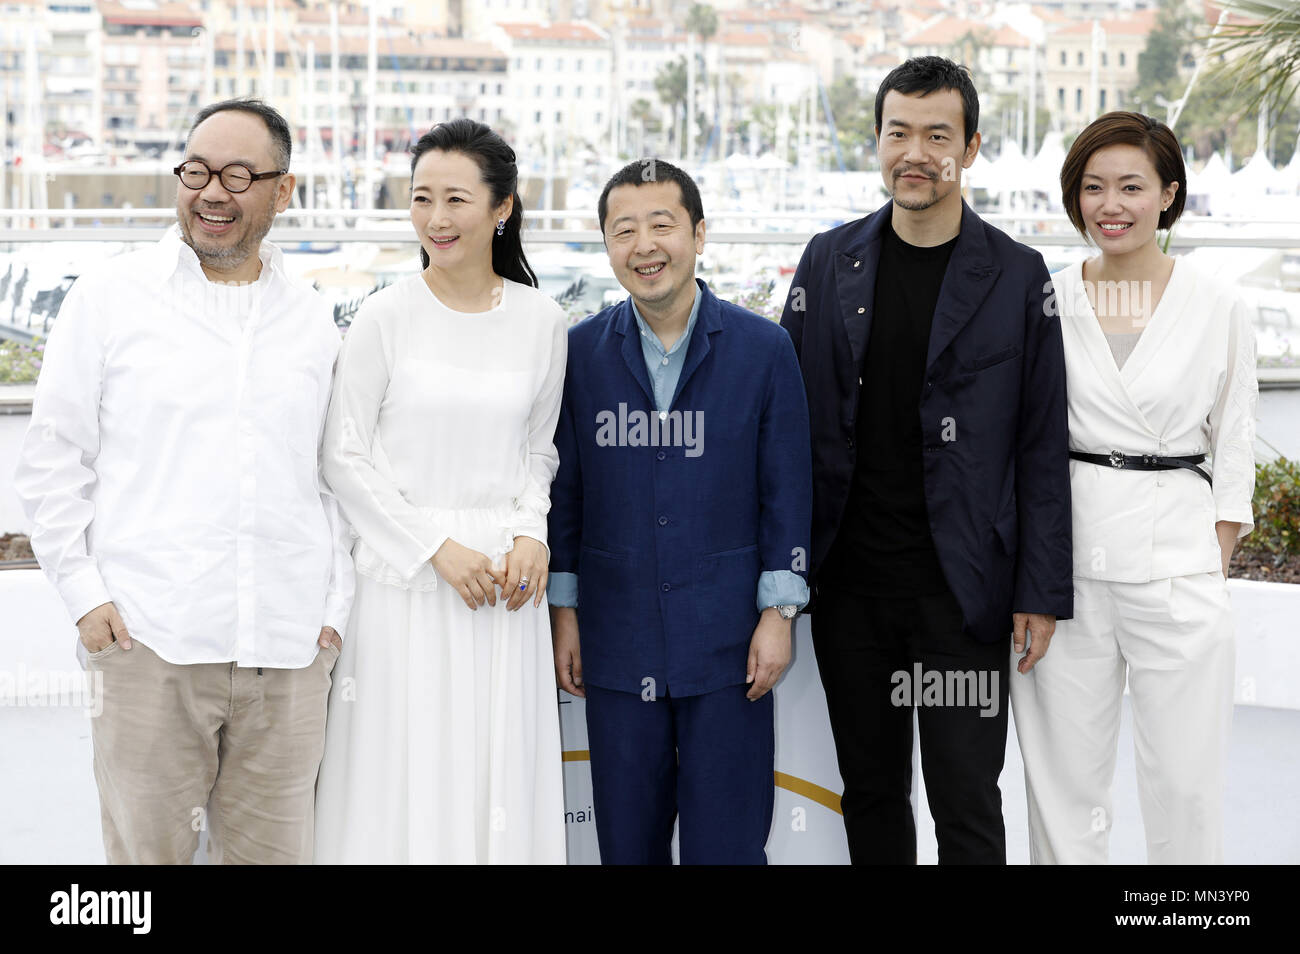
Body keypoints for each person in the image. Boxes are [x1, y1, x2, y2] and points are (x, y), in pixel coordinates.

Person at [15, 98, 354, 864]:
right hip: (149, 643)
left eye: (239, 174)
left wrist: (333, 612)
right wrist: (86, 598)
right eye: (197, 171)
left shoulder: (310, 318)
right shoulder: (111, 297)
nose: (212, 192)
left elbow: (331, 477)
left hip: (288, 652)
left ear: (284, 190)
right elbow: (51, 457)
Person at [780, 56, 1073, 865]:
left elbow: (1041, 443)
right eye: (897, 132)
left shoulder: (1017, 276)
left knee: (967, 802)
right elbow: (786, 423)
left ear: (970, 148)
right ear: (876, 141)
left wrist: (1039, 592)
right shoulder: (825, 260)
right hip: (851, 587)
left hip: (964, 593)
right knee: (871, 796)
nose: (915, 152)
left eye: (936, 136)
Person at [313, 119, 567, 864]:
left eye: (457, 199)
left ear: (502, 208)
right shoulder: (386, 315)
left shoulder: (542, 320)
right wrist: (435, 550)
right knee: (400, 770)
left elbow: (538, 451)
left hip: (503, 590)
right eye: (422, 198)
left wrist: (532, 534)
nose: (436, 218)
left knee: (494, 773)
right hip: (405, 584)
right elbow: (342, 456)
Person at [547, 159, 812, 865]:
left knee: (727, 845)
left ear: (699, 233)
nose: (644, 246)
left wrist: (778, 615)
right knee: (626, 846)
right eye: (623, 230)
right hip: (615, 636)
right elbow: (564, 496)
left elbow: (787, 492)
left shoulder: (763, 349)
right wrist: (565, 611)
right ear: (606, 246)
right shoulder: (577, 354)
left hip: (729, 645)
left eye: (661, 224)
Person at [1010, 111, 1257, 864]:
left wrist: (1208, 561)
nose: (1109, 205)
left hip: (1178, 568)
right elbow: (1019, 443)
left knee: (1185, 786)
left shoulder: (1220, 304)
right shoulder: (1046, 300)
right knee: (1063, 786)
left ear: (1168, 195)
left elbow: (1236, 444)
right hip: (1065, 570)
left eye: (1130, 186)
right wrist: (1029, 574)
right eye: (1092, 187)